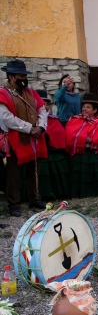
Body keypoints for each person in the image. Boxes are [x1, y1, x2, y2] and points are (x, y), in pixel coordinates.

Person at [0, 60, 48, 217]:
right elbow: (7, 118)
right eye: (21, 76)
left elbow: (42, 109)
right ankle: (14, 203)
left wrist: (41, 127)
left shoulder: (31, 92)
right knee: (14, 172)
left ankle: (34, 199)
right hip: (16, 137)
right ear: (12, 77)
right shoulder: (3, 94)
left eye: (25, 76)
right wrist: (29, 128)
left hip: (35, 137)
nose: (24, 79)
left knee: (34, 169)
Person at [65, 93, 98, 198]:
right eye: (83, 107)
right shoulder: (75, 120)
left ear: (95, 110)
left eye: (88, 107)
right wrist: (84, 139)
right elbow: (70, 134)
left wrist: (95, 141)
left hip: (95, 152)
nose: (84, 109)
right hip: (80, 152)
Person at [36, 89, 70, 199]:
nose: (45, 106)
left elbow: (59, 135)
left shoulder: (54, 120)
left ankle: (57, 192)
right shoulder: (31, 120)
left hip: (53, 151)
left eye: (46, 104)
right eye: (42, 104)